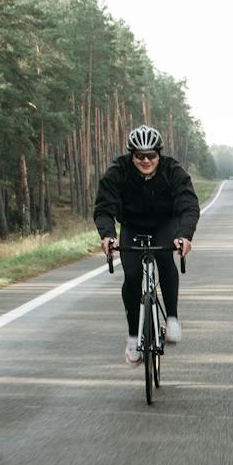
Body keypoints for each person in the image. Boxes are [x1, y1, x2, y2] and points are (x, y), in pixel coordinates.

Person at [95, 125, 200, 363]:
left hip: (164, 224)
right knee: (132, 275)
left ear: (158, 154)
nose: (145, 160)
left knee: (164, 258)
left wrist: (185, 235)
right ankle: (133, 338)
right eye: (139, 155)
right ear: (131, 154)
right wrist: (108, 235)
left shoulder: (172, 170)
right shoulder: (117, 171)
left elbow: (188, 204)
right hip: (132, 226)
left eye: (151, 155)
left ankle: (171, 319)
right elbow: (104, 208)